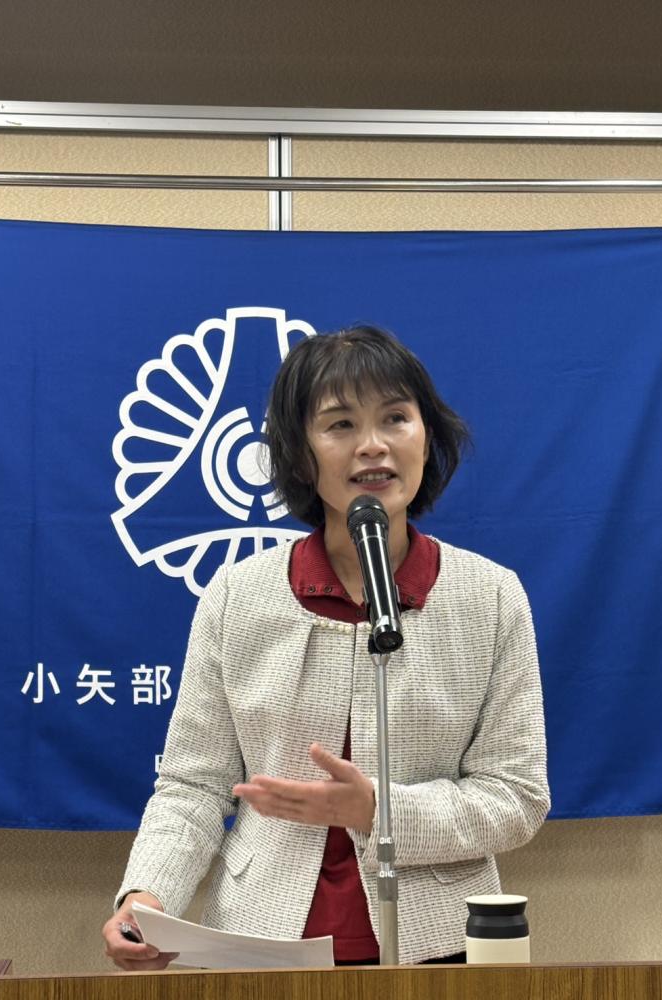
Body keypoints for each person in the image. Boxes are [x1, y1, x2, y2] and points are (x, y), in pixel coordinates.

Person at [103, 325, 550, 969]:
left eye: (395, 418)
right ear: (298, 454)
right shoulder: (238, 596)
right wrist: (148, 896)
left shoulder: (491, 597)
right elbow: (193, 785)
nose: (373, 445)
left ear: (427, 437)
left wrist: (378, 811)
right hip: (260, 943)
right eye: (340, 425)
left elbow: (516, 796)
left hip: (440, 946)